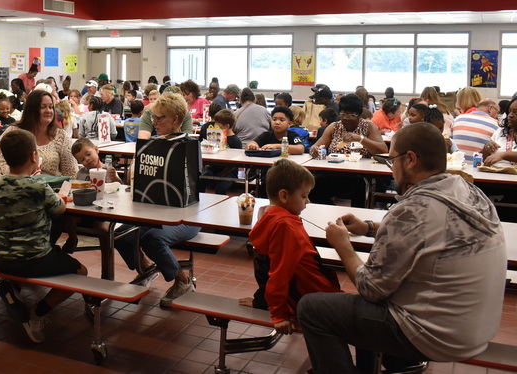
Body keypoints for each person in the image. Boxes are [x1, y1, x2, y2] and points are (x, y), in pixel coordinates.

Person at [298, 122, 506, 374]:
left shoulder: (413, 210)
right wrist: (370, 228)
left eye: (392, 159)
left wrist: (342, 245)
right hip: (477, 328)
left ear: (410, 159)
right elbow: (426, 231)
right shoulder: (468, 191)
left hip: (435, 336)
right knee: (362, 309)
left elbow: (370, 288)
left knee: (312, 308)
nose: (391, 168)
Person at [0, 128, 87, 343]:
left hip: (1, 258)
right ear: (34, 156)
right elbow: (60, 209)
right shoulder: (39, 186)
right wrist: (60, 196)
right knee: (81, 272)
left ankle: (10, 288)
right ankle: (38, 312)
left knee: (24, 264)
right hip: (35, 259)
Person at [114, 93, 200, 307]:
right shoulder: (151, 145)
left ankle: (183, 281)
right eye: (153, 117)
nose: (154, 123)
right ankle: (148, 270)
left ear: (176, 119)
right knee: (120, 235)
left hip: (187, 216)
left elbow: (190, 188)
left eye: (160, 118)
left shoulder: (190, 147)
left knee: (153, 238)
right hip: (153, 213)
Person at [243, 159, 340, 334]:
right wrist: (279, 315)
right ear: (284, 196)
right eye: (304, 196)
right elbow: (279, 274)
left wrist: (262, 301)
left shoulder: (270, 215)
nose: (308, 201)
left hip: (312, 297)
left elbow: (268, 268)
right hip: (315, 302)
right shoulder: (285, 226)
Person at [0, 89, 77, 177]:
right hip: (17, 186)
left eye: (51, 107)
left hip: (51, 188)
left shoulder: (61, 136)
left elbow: (71, 173)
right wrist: (20, 176)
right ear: (31, 110)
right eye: (43, 107)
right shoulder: (13, 131)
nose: (48, 111)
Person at [310, 93, 387, 159]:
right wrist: (314, 149)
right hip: (335, 170)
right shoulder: (334, 127)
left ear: (359, 115)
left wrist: (361, 139)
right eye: (343, 114)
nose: (347, 118)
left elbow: (383, 151)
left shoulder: (368, 127)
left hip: (361, 172)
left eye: (352, 115)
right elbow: (315, 146)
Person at [198, 109, 242, 194]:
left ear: (226, 126)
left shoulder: (236, 141)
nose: (214, 125)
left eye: (217, 124)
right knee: (201, 181)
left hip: (230, 172)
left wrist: (222, 173)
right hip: (213, 169)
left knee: (220, 187)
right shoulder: (214, 137)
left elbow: (235, 164)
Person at [450, 91, 500, 162]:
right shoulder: (497, 125)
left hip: (458, 165)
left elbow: (450, 143)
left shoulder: (457, 119)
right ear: (490, 108)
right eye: (497, 112)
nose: (497, 115)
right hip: (479, 167)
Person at [482, 96, 517, 167]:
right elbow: (483, 159)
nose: (510, 115)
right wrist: (486, 149)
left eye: (516, 112)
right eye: (509, 111)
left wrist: (503, 155)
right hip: (495, 174)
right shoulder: (501, 132)